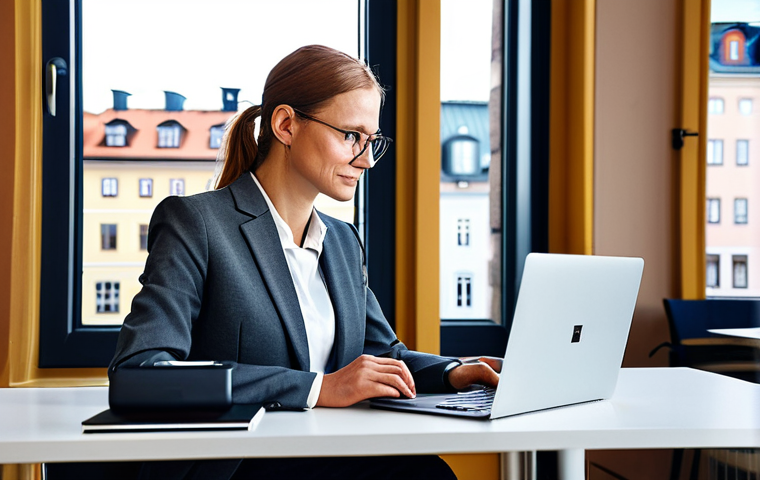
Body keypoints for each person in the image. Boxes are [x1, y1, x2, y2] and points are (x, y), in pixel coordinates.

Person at [109, 45, 501, 480]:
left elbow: (381, 355)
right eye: (351, 136)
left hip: (328, 453)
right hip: (239, 464)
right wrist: (320, 387)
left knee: (428, 473)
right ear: (286, 125)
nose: (366, 160)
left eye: (372, 142)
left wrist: (453, 372)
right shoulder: (196, 223)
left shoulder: (342, 242)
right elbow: (140, 372)